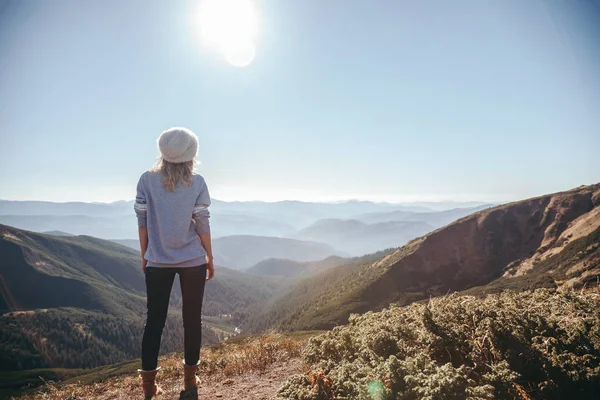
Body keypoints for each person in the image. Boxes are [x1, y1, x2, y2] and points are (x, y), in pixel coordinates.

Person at [134, 127, 214, 399]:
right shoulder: (198, 182)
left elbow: (142, 221)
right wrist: (209, 256)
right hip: (192, 259)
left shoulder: (146, 180)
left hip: (157, 259)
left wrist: (145, 254)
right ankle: (190, 382)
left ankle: (148, 387)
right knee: (193, 320)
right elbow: (202, 222)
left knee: (153, 321)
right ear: (191, 155)